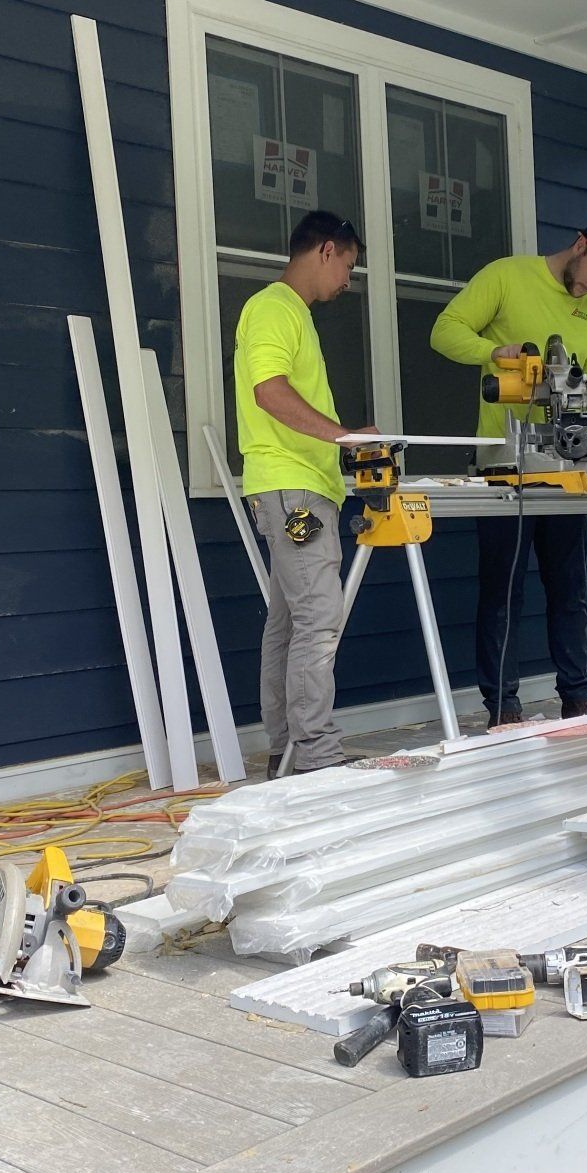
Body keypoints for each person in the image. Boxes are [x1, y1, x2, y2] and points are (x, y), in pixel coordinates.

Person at [430, 216, 587, 728]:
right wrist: (493, 353)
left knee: (570, 586)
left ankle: (577, 697)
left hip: (571, 466)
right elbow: (444, 332)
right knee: (502, 588)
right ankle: (503, 707)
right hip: (506, 465)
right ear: (580, 245)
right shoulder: (507, 276)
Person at [233, 209, 364, 775]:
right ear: (327, 250)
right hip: (295, 496)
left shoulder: (294, 315)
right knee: (319, 617)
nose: (347, 282)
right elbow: (268, 390)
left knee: (289, 620)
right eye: (349, 267)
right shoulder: (273, 309)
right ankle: (315, 755)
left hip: (296, 492)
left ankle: (286, 746)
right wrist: (343, 436)